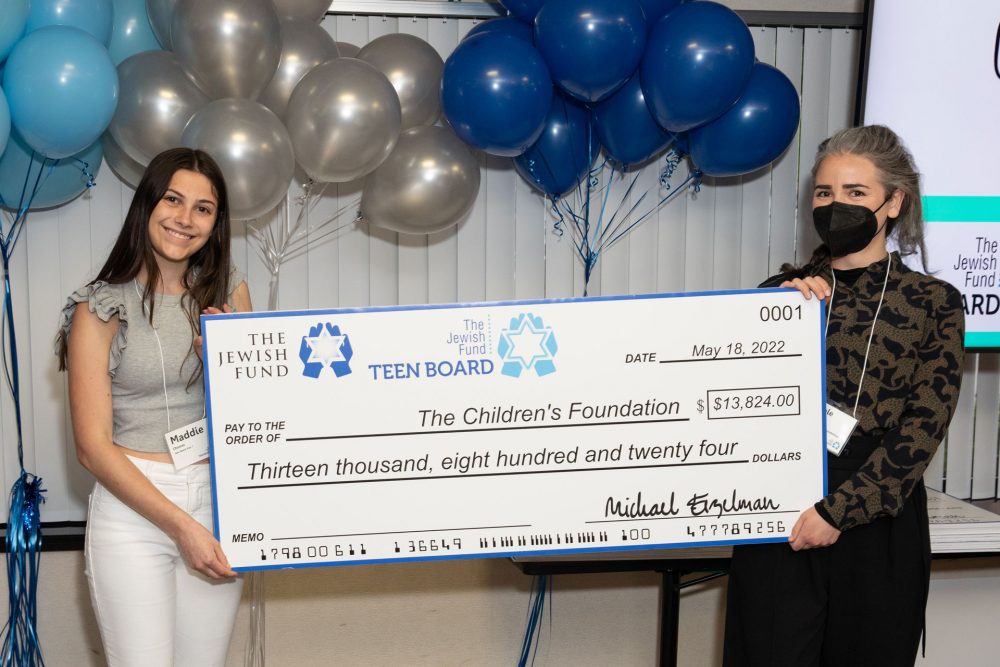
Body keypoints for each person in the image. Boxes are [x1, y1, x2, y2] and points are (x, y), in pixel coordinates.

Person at [723, 125, 965, 666]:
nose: (837, 206)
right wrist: (777, 319)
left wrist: (838, 512)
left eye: (856, 192)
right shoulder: (778, 297)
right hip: (782, 513)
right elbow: (734, 411)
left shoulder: (934, 302)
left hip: (878, 521)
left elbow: (922, 428)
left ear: (893, 202)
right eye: (825, 192)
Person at [55, 147, 252, 666]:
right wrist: (183, 528)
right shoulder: (98, 306)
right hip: (134, 510)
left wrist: (223, 365)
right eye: (173, 200)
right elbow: (92, 448)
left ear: (216, 222)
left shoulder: (230, 292)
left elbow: (253, 420)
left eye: (203, 208)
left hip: (216, 500)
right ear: (147, 204)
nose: (185, 219)